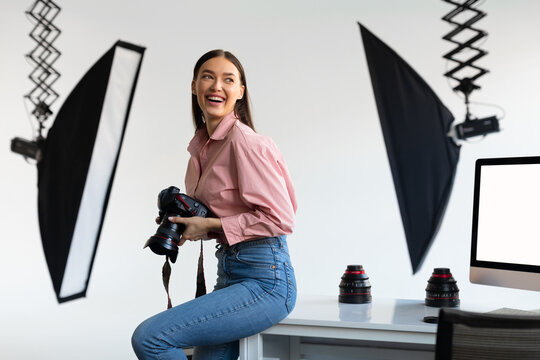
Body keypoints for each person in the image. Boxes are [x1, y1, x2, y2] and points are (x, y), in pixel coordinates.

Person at [132, 49, 298, 360]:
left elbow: (281, 219)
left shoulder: (246, 143)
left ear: (240, 92)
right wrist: (190, 226)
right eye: (208, 77)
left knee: (150, 338)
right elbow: (231, 215)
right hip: (231, 273)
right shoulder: (201, 148)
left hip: (266, 280)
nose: (216, 86)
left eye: (228, 79)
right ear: (194, 86)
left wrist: (209, 225)